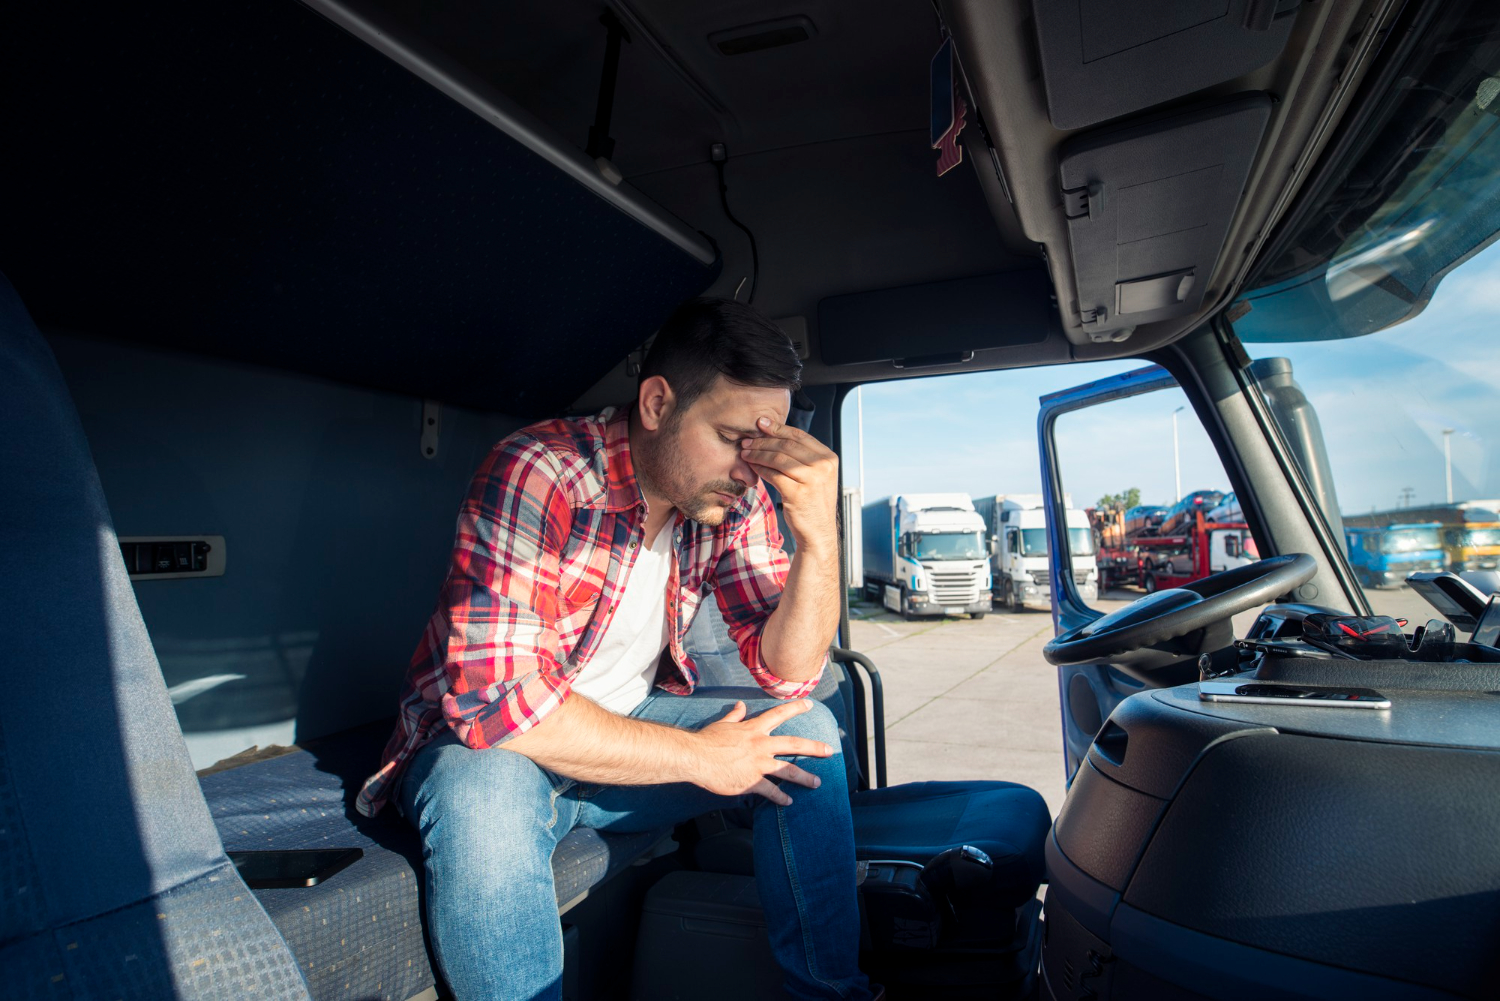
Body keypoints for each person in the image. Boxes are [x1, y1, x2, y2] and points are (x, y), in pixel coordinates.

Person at [356, 297, 876, 1001]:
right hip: (500, 748)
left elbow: (790, 673)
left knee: (805, 732)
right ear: (658, 403)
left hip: (624, 735)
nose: (749, 469)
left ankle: (832, 993)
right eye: (731, 437)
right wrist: (700, 757)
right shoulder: (542, 470)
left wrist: (819, 536)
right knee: (483, 788)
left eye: (765, 445)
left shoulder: (732, 496)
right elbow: (500, 708)